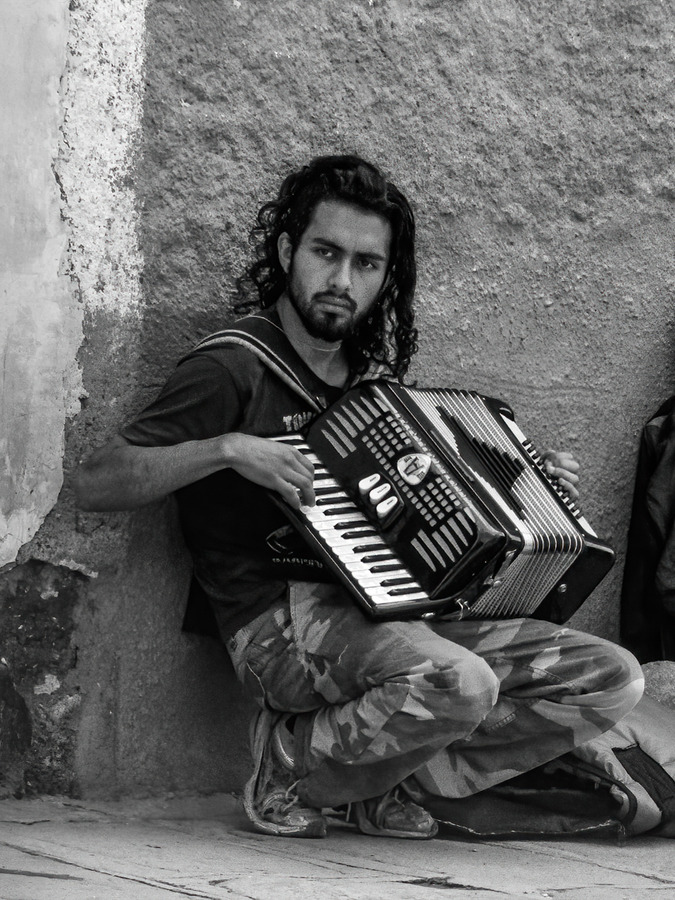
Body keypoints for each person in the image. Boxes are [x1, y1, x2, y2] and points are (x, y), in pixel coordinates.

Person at [74, 154, 644, 840]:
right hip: (277, 626)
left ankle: (373, 782)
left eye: (366, 264)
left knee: (609, 677)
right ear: (288, 251)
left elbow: (434, 517)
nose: (342, 281)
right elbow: (96, 481)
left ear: (384, 276)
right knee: (460, 681)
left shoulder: (374, 388)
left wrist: (523, 482)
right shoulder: (233, 366)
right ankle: (292, 765)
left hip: (397, 611)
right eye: (326, 253)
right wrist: (226, 448)